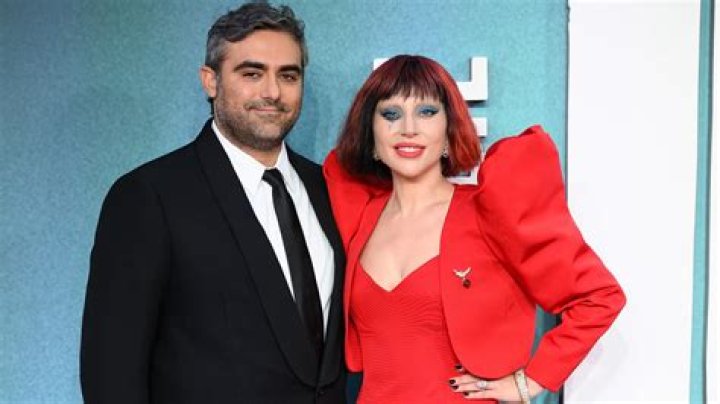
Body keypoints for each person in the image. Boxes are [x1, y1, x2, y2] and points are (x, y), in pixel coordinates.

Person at [80, 2, 346, 403]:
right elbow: (111, 374)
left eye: (288, 75)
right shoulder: (150, 197)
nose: (272, 92)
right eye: (252, 73)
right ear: (210, 81)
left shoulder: (327, 188)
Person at [323, 55, 626, 403]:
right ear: (370, 133)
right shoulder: (357, 214)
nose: (408, 127)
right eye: (390, 114)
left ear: (449, 131)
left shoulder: (487, 212)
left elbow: (598, 297)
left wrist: (531, 380)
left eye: (426, 112)